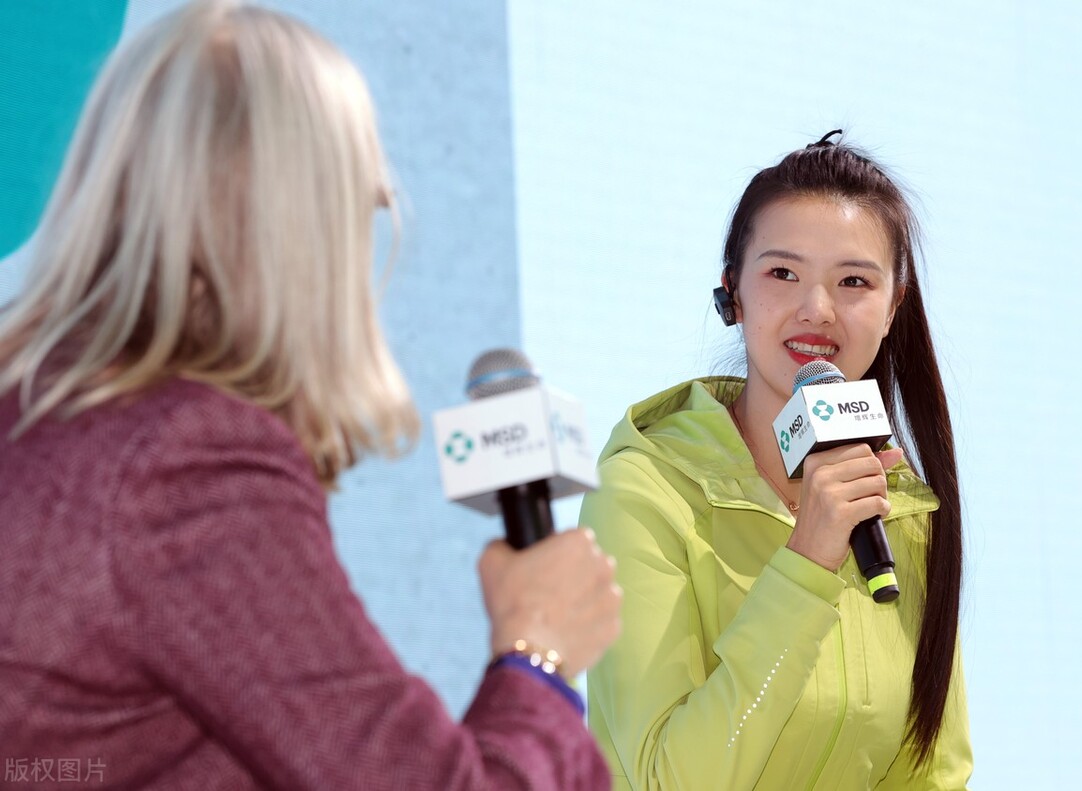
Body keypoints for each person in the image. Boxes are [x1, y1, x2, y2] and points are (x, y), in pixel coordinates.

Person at [0, 2, 620, 789]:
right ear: (311, 232)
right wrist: (541, 654)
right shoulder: (188, 463)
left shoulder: (35, 415)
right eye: (367, 209)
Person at [580, 132, 972, 789]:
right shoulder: (644, 492)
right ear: (731, 292)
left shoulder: (899, 509)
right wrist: (808, 559)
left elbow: (933, 770)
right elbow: (666, 779)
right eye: (783, 273)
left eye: (853, 281)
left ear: (892, 306)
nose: (816, 310)